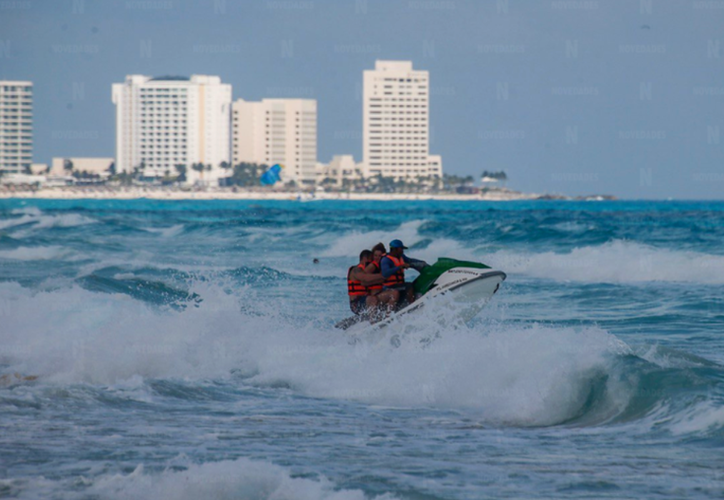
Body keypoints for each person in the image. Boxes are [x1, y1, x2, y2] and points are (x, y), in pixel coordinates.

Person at [380, 239, 427, 306]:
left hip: (399, 284)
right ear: (395, 249)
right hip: (389, 286)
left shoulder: (401, 256)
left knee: (414, 283)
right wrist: (400, 267)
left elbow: (410, 260)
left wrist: (422, 263)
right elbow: (385, 274)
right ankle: (412, 305)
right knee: (408, 286)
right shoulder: (386, 260)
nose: (402, 250)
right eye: (401, 248)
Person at [347, 249, 385, 318]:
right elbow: (365, 278)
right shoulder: (356, 270)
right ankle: (373, 322)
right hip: (356, 303)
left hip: (365, 300)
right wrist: (383, 275)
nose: (372, 263)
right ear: (365, 259)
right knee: (372, 299)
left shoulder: (366, 271)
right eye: (371, 260)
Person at [365, 243, 399, 314]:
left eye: (379, 256)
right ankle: (388, 315)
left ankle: (389, 313)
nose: (377, 258)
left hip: (381, 293)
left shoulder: (382, 266)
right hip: (374, 296)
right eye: (375, 255)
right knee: (394, 294)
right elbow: (363, 280)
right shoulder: (372, 266)